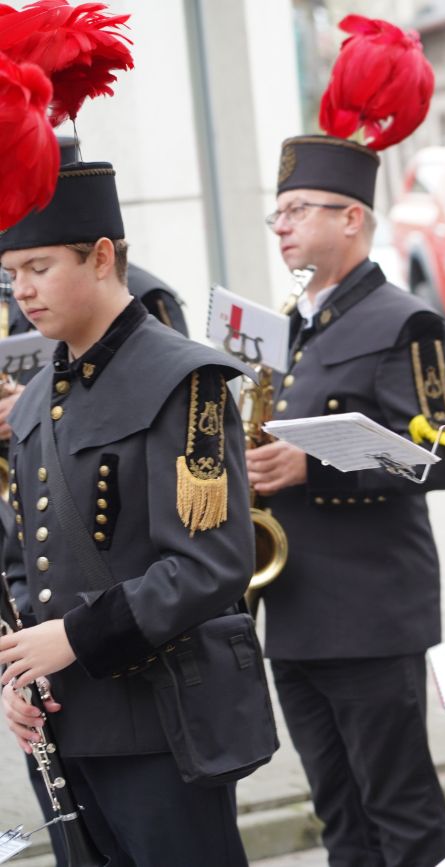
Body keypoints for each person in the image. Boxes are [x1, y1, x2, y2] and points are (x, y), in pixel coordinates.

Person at [0, 159, 255, 866]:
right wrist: (21, 674)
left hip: (161, 725)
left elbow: (213, 563)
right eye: (11, 270)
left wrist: (75, 637)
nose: (20, 289)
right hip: (65, 723)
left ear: (103, 256)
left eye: (39, 266)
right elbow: (22, 559)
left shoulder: (184, 380)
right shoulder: (37, 393)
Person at [248, 138, 445, 866]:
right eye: (275, 213)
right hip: (296, 608)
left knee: (400, 810)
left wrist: (315, 466)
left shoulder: (409, 323)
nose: (280, 226)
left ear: (351, 218)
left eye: (296, 210)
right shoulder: (295, 330)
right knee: (339, 814)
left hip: (372, 613)